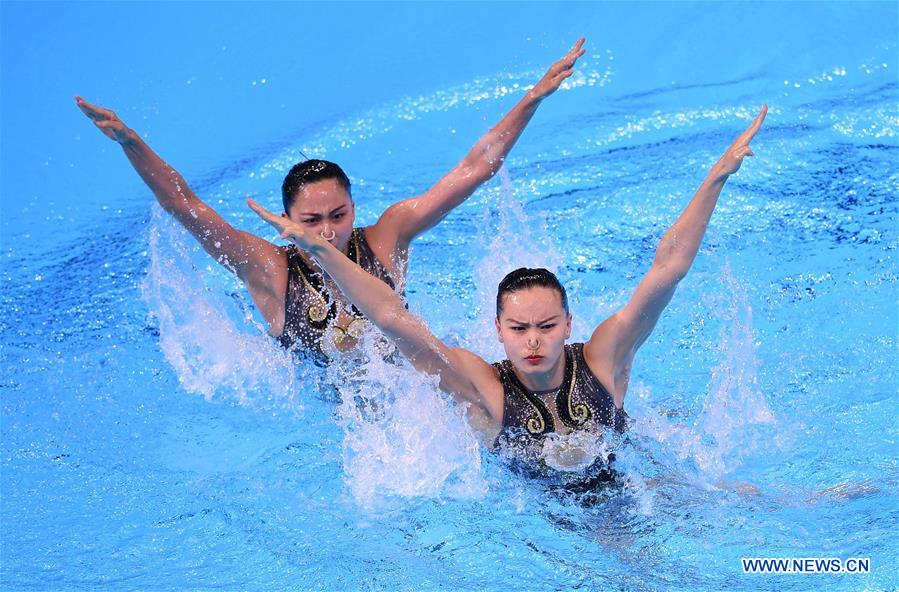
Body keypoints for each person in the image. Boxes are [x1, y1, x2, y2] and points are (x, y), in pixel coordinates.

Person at [248, 106, 769, 472]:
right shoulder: (485, 390)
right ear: (498, 330)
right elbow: (389, 317)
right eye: (519, 328)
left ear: (569, 323)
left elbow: (667, 270)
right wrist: (321, 251)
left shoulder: (604, 359)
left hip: (640, 482)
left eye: (546, 326)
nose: (534, 341)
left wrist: (716, 178)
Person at [76, 39, 587, 358]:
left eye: (339, 215)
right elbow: (186, 206)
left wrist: (532, 97)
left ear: (354, 210)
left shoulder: (388, 237)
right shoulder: (270, 270)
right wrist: (132, 143)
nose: (328, 231)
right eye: (312, 219)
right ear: (285, 221)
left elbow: (474, 169)